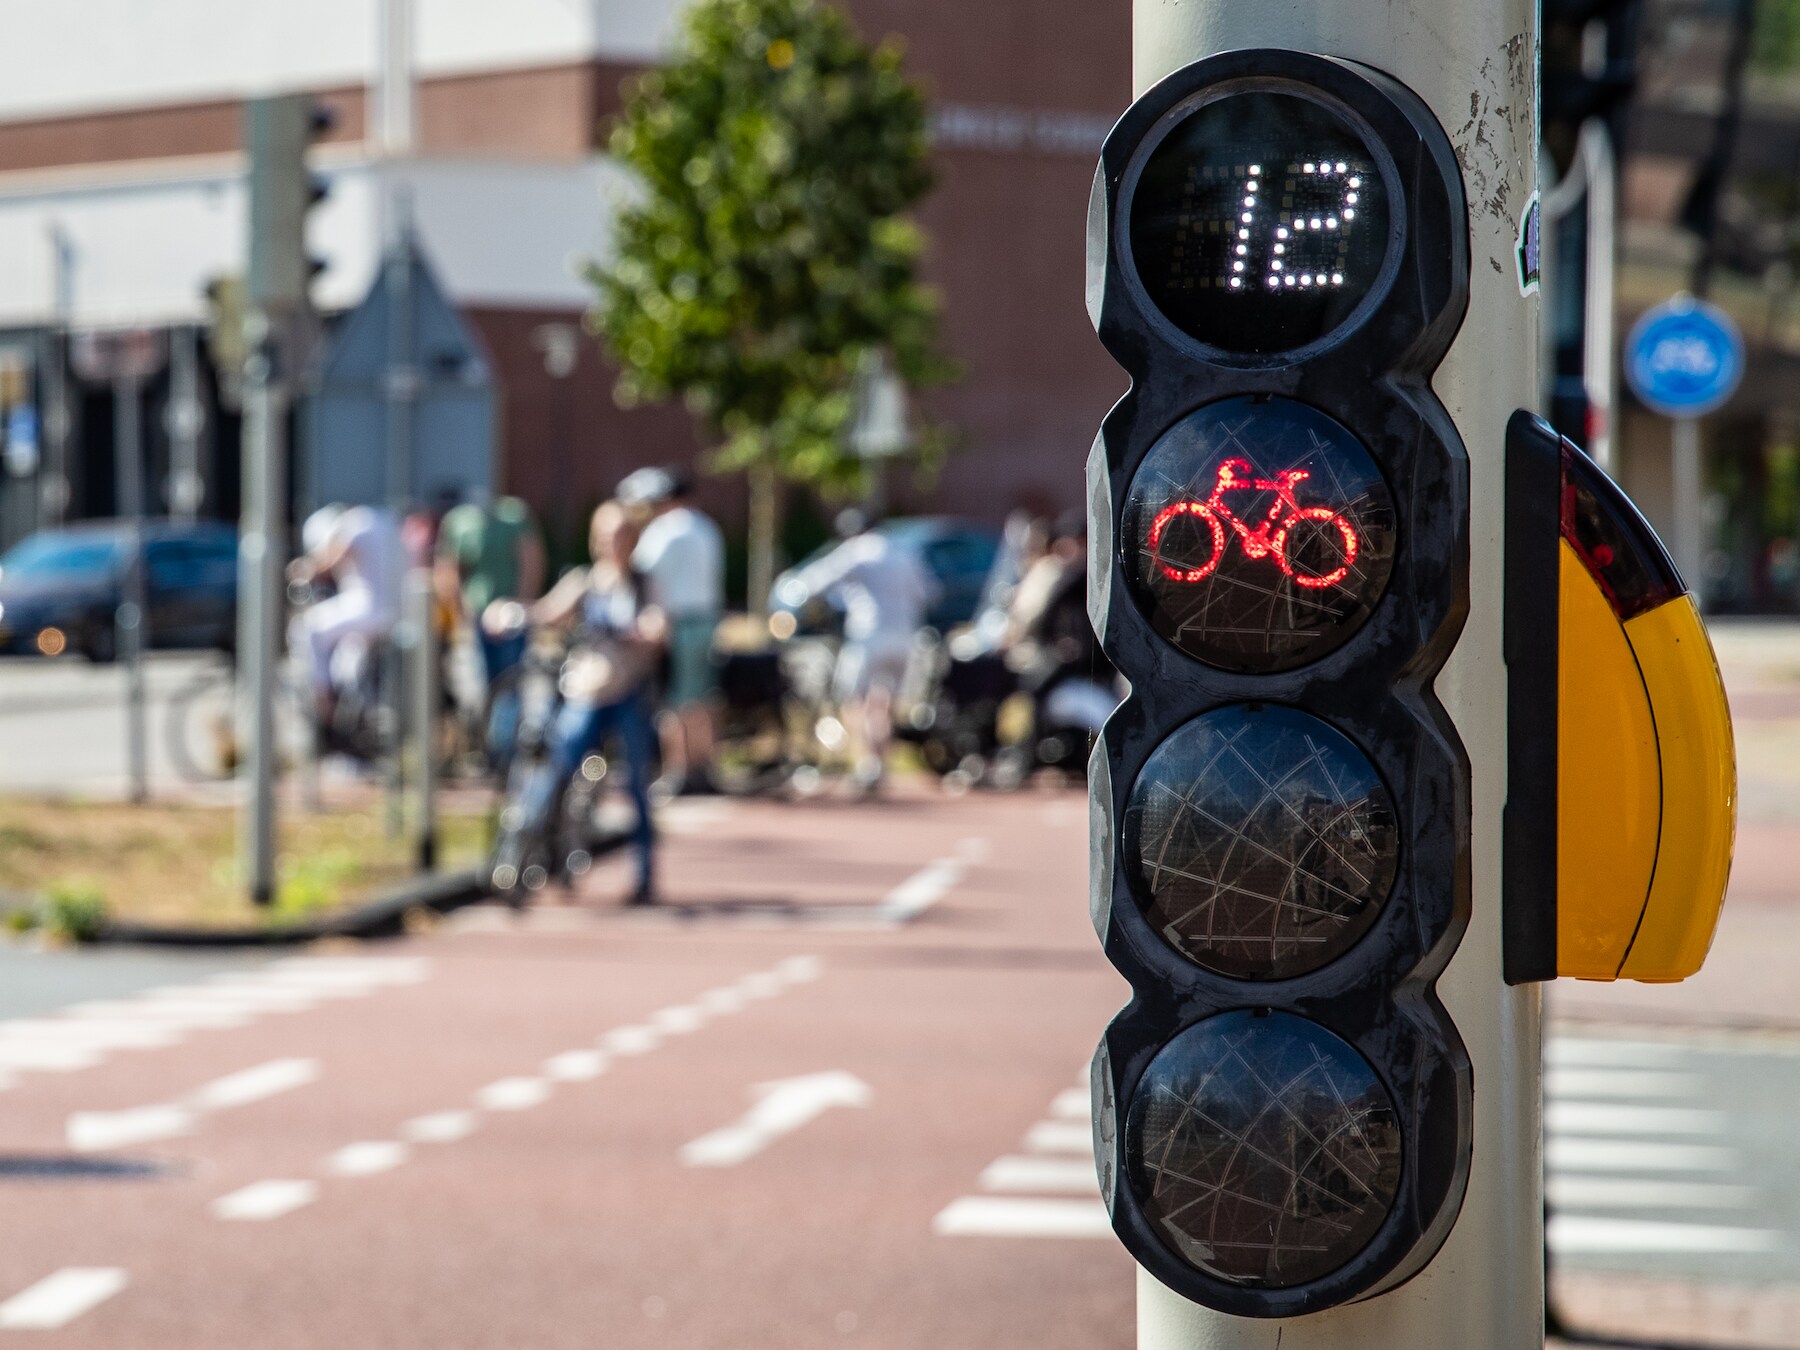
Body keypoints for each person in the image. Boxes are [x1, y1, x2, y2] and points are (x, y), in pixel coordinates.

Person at [515, 501, 661, 905]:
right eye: (607, 536)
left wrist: (643, 632)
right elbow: (547, 611)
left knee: (637, 783)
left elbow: (658, 624)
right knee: (556, 766)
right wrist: (511, 613)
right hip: (587, 693)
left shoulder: (644, 584)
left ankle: (646, 875)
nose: (613, 544)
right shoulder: (585, 582)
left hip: (628, 692)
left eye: (621, 536)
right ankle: (528, 855)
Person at [789, 510, 937, 791]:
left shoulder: (857, 551)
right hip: (905, 637)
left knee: (854, 701)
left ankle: (866, 763)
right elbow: (928, 592)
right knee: (885, 704)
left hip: (868, 637)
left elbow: (814, 582)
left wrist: (797, 595)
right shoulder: (902, 552)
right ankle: (881, 764)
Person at [617, 467, 725, 796]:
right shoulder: (708, 527)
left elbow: (639, 568)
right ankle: (704, 766)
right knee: (703, 697)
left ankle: (678, 769)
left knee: (675, 699)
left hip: (676, 621)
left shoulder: (665, 530)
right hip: (707, 618)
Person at [288, 503, 404, 726]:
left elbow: (336, 554)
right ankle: (351, 712)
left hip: (367, 610)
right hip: (393, 611)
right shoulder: (381, 520)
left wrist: (306, 569)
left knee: (309, 627)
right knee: (347, 661)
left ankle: (324, 702)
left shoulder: (354, 525)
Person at [436, 493, 546, 686]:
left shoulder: (514, 517)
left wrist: (522, 602)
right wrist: (461, 609)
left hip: (512, 611)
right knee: (484, 675)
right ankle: (491, 714)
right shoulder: (461, 524)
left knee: (511, 673)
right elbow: (451, 569)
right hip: (478, 609)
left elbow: (531, 562)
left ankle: (505, 715)